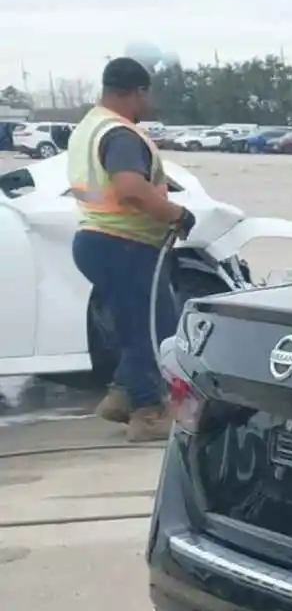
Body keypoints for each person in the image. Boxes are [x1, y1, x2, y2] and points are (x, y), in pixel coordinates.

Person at [67, 57, 194, 442]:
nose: (148, 104)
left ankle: (121, 396)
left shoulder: (89, 127)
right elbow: (129, 188)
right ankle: (148, 414)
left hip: (95, 239)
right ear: (136, 92)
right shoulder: (121, 134)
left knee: (134, 324)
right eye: (146, 95)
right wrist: (175, 212)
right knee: (154, 330)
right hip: (124, 242)